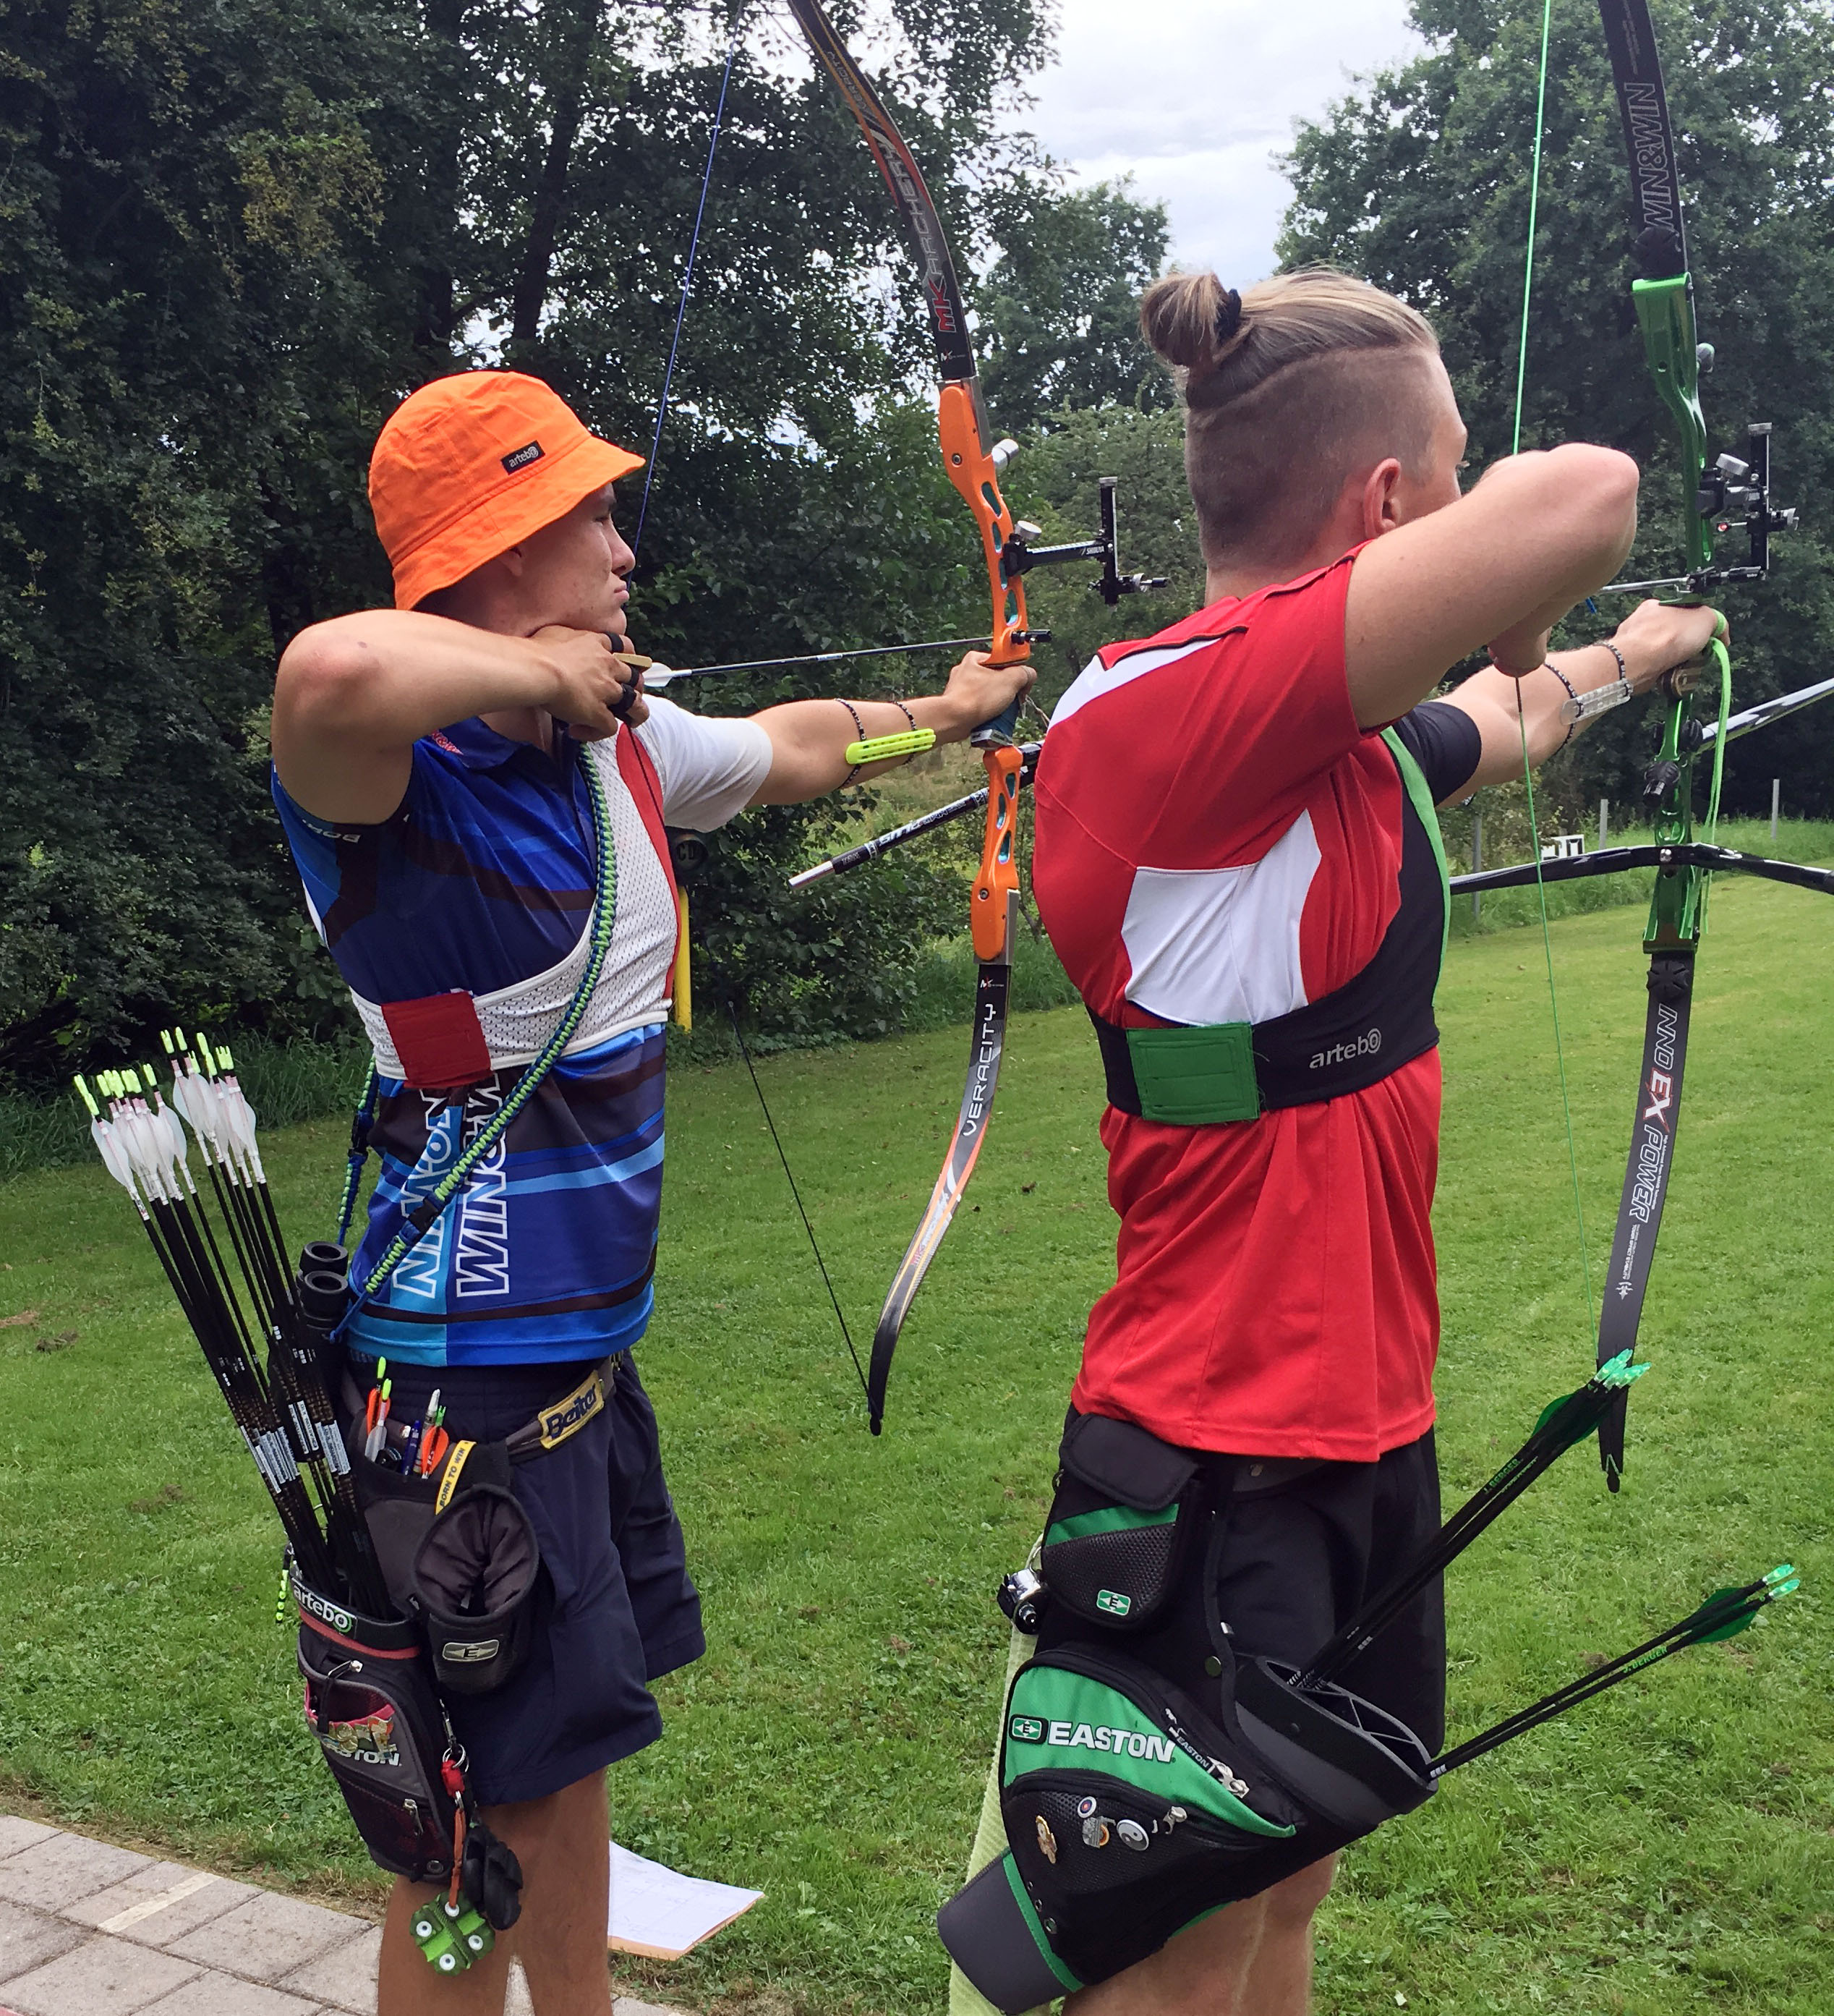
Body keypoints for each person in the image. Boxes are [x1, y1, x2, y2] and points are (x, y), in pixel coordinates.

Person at [947, 267, 1723, 2016]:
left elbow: (1506, 717)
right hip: (1220, 1448)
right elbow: (1584, 492)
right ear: (1386, 505)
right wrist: (1537, 583)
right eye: (1447, 470)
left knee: (1287, 1891)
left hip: (1361, 1423)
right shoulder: (1168, 716)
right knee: (1173, 1941)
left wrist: (1625, 653)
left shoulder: (1310, 750)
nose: (1466, 499)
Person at [269, 368, 1032, 2016]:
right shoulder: (397, 798)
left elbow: (790, 745)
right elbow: (333, 664)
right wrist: (537, 669)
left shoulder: (607, 748)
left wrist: (947, 713)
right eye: (586, 516)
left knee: (564, 1769)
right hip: (460, 1391)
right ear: (491, 553)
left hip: (571, 1377)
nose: (624, 546)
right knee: (456, 1830)